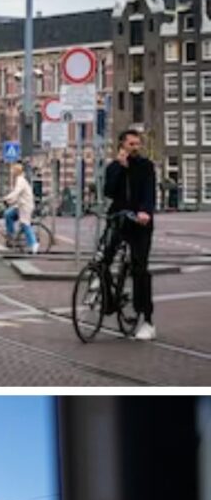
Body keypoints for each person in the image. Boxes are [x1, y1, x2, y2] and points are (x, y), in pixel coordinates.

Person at [103, 129, 157, 341]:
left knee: (139, 269)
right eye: (131, 144)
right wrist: (119, 168)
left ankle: (147, 320)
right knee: (103, 260)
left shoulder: (146, 166)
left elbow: (149, 192)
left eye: (138, 144)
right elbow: (108, 191)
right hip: (118, 220)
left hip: (139, 224)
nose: (136, 148)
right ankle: (109, 302)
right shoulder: (113, 167)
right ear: (122, 146)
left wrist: (145, 211)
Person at [2, 163, 38, 254]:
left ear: (16, 171)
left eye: (13, 170)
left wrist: (6, 198)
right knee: (8, 214)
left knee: (25, 224)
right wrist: (9, 200)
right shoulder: (19, 180)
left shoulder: (20, 180)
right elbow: (17, 195)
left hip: (25, 206)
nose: (12, 172)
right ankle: (11, 235)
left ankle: (34, 244)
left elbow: (17, 192)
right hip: (20, 205)